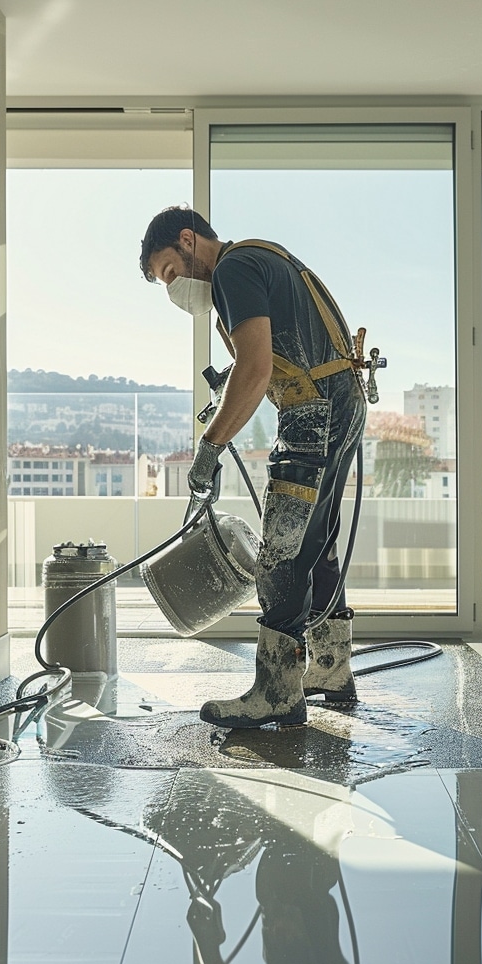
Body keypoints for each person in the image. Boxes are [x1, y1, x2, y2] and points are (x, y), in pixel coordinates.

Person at [139, 206, 369, 729]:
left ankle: (278, 690)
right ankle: (330, 667)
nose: (174, 289)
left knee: (280, 553)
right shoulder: (261, 257)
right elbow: (273, 355)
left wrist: (210, 445)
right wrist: (233, 394)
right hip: (340, 401)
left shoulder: (232, 270)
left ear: (188, 239)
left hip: (314, 411)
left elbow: (256, 366)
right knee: (316, 540)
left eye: (170, 272)